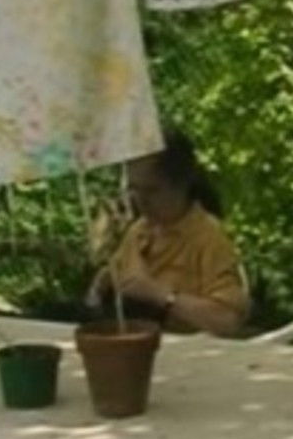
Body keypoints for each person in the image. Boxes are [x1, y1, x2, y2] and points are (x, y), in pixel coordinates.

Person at [87, 129, 249, 337]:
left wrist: (159, 294)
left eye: (152, 191)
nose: (141, 201)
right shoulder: (138, 231)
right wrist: (102, 286)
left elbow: (228, 319)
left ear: (182, 184)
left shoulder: (207, 236)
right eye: (134, 190)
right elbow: (117, 283)